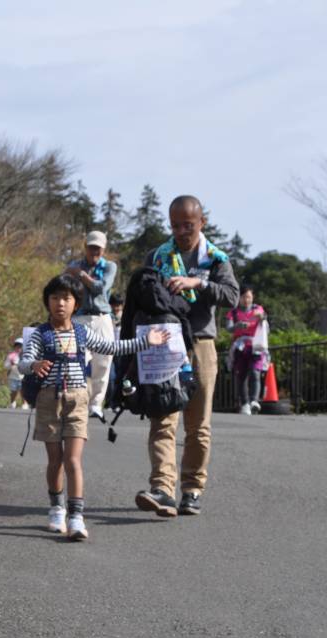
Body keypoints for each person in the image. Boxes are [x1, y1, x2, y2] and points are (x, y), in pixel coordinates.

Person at [19, 274, 169, 540]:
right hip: (48, 402)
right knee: (55, 460)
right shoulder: (40, 335)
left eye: (66, 298)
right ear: (47, 302)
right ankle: (56, 509)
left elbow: (111, 346)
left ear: (76, 304)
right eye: (55, 298)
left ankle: (76, 516)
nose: (60, 304)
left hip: (77, 400)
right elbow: (24, 361)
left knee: (73, 460)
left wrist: (147, 341)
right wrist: (33, 366)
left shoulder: (81, 332)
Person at [134, 195, 239, 518]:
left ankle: (191, 489)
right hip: (164, 343)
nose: (181, 231)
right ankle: (163, 488)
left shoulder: (216, 258)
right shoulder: (157, 255)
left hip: (202, 344)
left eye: (188, 225)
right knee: (163, 417)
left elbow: (232, 296)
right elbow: (141, 293)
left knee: (198, 425)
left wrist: (198, 283)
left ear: (202, 222)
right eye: (175, 225)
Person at [66, 230, 118, 422]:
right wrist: (74, 273)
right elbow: (64, 281)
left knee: (103, 363)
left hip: (102, 318)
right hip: (79, 318)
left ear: (103, 249)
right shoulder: (75, 264)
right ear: (85, 247)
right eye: (91, 247)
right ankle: (78, 400)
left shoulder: (110, 266)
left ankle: (96, 404)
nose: (94, 251)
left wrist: (80, 275)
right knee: (77, 360)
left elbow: (100, 288)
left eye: (98, 248)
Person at [225, 285, 268, 414]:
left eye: (248, 297)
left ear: (252, 297)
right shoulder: (233, 312)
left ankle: (254, 400)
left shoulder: (258, 309)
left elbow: (264, 319)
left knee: (255, 373)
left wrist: (262, 317)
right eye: (243, 297)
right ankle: (244, 403)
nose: (246, 300)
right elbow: (229, 328)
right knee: (241, 376)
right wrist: (237, 326)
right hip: (240, 347)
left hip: (256, 346)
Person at [4, 337, 26, 408]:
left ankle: (24, 404)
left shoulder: (25, 356)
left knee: (23, 391)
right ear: (15, 347)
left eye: (21, 346)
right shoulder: (11, 356)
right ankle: (12, 402)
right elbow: (5, 366)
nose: (19, 348)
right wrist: (11, 364)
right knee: (13, 391)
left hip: (23, 376)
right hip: (13, 376)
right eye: (17, 346)